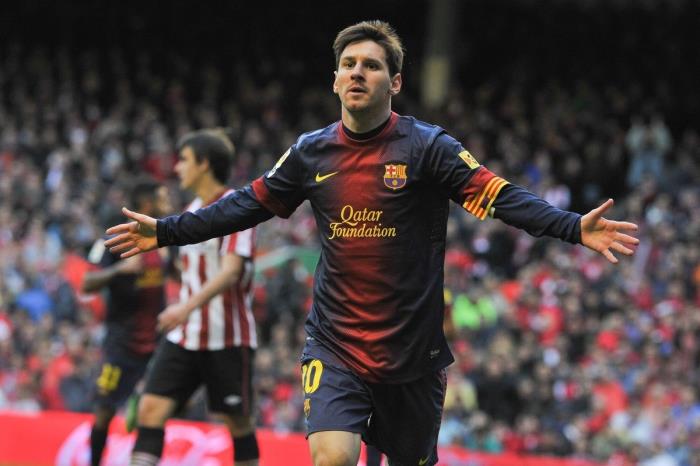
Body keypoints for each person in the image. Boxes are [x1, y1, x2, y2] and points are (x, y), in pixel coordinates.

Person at [105, 21, 639, 466]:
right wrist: (165, 230)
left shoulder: (428, 147)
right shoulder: (310, 153)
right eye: (349, 64)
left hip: (412, 356)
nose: (358, 72)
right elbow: (246, 203)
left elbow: (499, 196)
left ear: (395, 82)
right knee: (333, 458)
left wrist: (572, 226)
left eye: (372, 65)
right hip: (335, 344)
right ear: (335, 80)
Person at [126, 129, 260, 466]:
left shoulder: (238, 207)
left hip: (227, 336)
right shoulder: (192, 209)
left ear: (204, 164)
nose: (177, 168)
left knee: (238, 423)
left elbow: (231, 271)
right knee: (150, 408)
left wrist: (184, 308)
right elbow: (188, 271)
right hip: (185, 335)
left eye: (184, 160)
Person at [82, 177, 172, 466]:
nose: (168, 202)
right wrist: (120, 270)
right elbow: (87, 282)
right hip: (120, 347)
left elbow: (178, 273)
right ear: (147, 203)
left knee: (155, 412)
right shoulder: (115, 238)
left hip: (155, 346)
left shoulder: (166, 236)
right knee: (104, 411)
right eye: (162, 197)